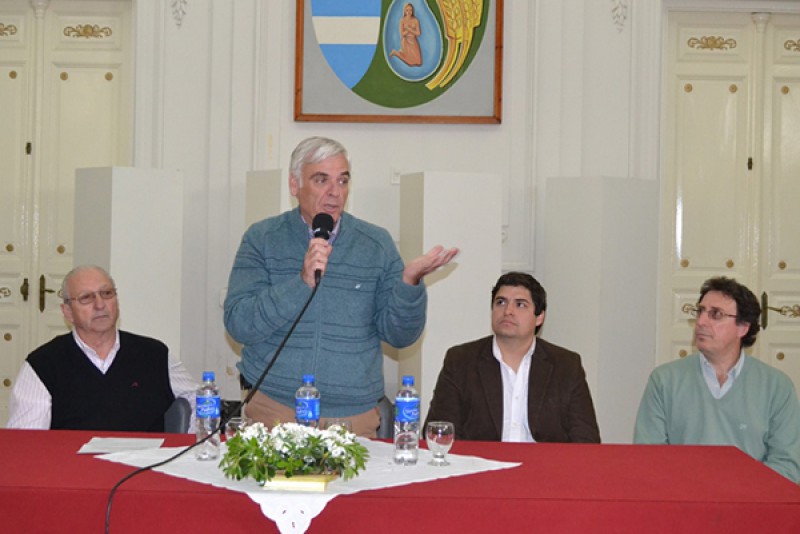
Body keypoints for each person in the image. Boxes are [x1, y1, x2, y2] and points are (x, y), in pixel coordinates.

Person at [224, 136, 458, 438]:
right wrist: (300, 283)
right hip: (275, 407)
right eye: (321, 180)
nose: (335, 192)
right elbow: (239, 323)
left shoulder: (375, 244)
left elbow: (400, 336)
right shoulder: (263, 238)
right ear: (294, 185)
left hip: (353, 415)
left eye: (343, 180)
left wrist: (409, 285)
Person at [634, 276, 800, 483]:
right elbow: (648, 459)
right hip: (683, 498)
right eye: (700, 311)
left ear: (743, 327)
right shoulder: (664, 381)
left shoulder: (777, 387)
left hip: (751, 500)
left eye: (716, 314)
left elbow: (787, 465)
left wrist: (734, 488)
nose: (701, 322)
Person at [7, 265, 197, 432]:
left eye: (106, 294)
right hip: (71, 461)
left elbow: (199, 398)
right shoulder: (43, 365)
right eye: (86, 298)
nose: (100, 305)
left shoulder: (154, 355)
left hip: (147, 460)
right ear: (68, 312)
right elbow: (27, 440)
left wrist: (193, 444)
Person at [426, 272, 600, 443]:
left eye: (520, 305)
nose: (507, 311)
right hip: (481, 460)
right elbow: (438, 434)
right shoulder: (460, 361)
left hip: (544, 461)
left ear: (539, 317)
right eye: (501, 302)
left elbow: (586, 440)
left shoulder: (566, 365)